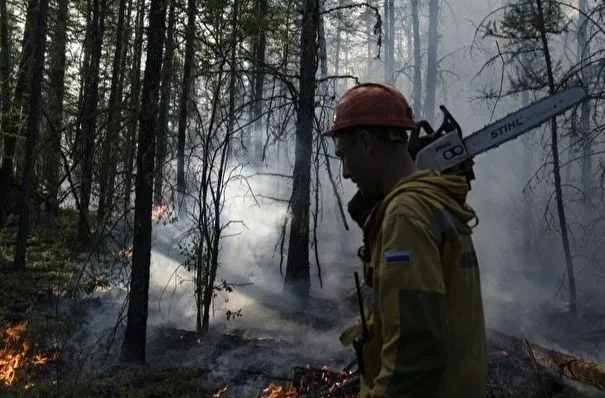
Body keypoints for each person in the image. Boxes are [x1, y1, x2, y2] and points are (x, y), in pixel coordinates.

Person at [327, 82, 487, 398]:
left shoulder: (406, 215)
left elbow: (416, 354)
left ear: (366, 143)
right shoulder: (433, 199)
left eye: (344, 156)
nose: (345, 173)